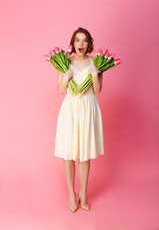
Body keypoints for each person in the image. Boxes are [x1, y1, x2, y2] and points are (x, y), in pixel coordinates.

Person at [54, 27, 104, 212]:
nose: (80, 44)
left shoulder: (96, 61)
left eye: (84, 40)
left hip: (88, 108)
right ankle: (70, 193)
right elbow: (60, 90)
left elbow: (98, 90)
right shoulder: (64, 61)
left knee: (84, 153)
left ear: (89, 43)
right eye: (77, 40)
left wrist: (95, 75)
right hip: (70, 110)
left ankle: (83, 193)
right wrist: (66, 77)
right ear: (72, 43)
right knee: (69, 153)